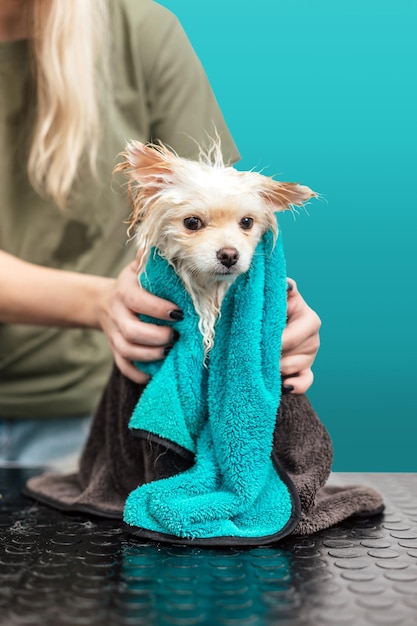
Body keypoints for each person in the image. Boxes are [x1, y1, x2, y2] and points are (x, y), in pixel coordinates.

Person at [0, 0, 321, 467]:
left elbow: (220, 208)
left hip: (101, 413)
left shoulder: (142, 31)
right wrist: (105, 302)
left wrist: (267, 315)